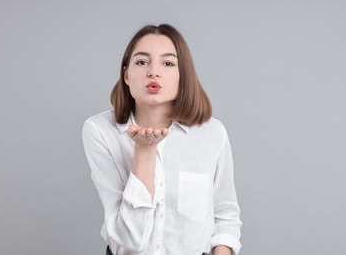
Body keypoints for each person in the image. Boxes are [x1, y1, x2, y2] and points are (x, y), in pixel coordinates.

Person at [82, 24, 242, 255]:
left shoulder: (212, 133)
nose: (153, 72)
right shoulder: (100, 131)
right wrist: (144, 152)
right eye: (141, 62)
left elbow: (225, 216)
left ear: (182, 75)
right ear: (126, 75)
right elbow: (130, 239)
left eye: (168, 63)